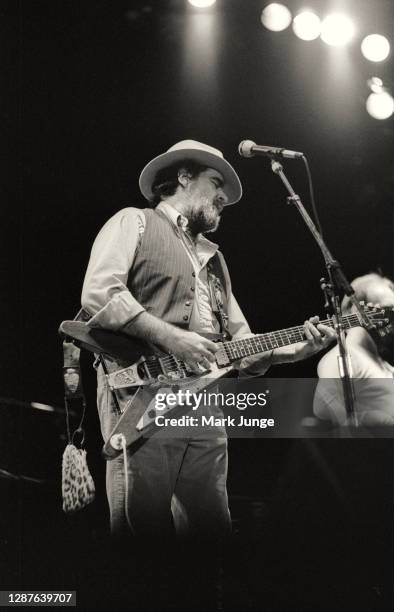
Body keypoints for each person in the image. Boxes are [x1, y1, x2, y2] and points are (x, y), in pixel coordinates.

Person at [81, 139, 335, 538]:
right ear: (183, 177)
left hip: (206, 402)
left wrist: (297, 351)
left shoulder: (215, 259)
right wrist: (173, 339)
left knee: (211, 531)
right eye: (216, 183)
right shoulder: (135, 221)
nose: (223, 198)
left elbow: (243, 344)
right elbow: (100, 292)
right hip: (141, 391)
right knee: (142, 533)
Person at [313, 273, 394, 427]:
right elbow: (322, 409)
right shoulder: (344, 357)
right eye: (386, 309)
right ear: (353, 311)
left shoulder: (381, 360)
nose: (391, 317)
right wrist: (373, 419)